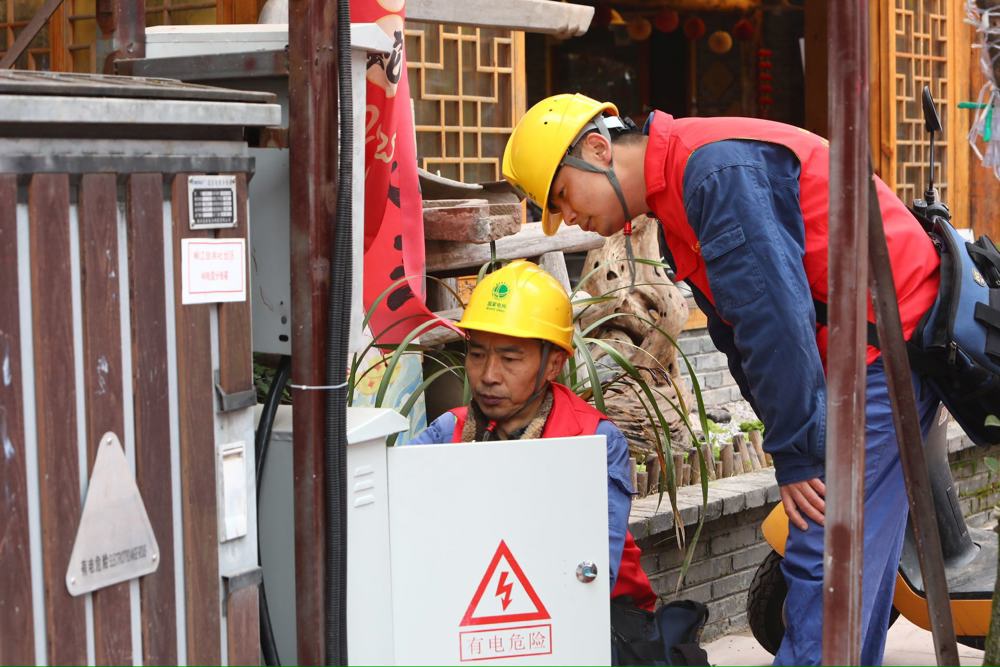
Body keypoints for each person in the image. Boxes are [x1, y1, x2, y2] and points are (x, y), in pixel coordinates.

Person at [501, 94, 942, 666]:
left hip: (883, 353)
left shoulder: (712, 175)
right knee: (852, 568)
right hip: (862, 355)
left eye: (565, 197)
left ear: (598, 148)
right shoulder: (678, 183)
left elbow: (774, 322)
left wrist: (798, 452)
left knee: (825, 557)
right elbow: (737, 332)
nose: (575, 219)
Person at [407, 259, 660, 662]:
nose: (489, 375)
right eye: (476, 354)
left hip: (600, 617)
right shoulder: (446, 434)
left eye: (510, 359)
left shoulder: (593, 440)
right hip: (478, 612)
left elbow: (593, 573)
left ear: (553, 364)